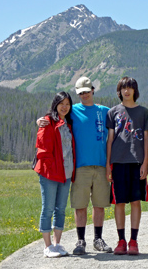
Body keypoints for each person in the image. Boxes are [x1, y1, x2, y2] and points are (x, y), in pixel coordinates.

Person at [37, 77, 112, 255]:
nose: (84, 95)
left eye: (87, 91)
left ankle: (98, 239)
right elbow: (54, 117)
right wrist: (40, 120)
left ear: (93, 90)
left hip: (101, 165)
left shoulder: (105, 111)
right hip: (79, 167)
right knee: (80, 205)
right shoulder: (72, 111)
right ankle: (80, 241)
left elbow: (124, 115)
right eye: (81, 93)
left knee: (99, 205)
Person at [106, 77, 148, 255]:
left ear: (135, 91)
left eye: (130, 88)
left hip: (137, 162)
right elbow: (110, 140)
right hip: (118, 162)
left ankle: (134, 241)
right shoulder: (113, 112)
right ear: (119, 91)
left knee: (136, 202)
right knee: (119, 202)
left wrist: (146, 162)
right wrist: (108, 164)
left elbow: (146, 139)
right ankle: (121, 240)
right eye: (123, 88)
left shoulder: (143, 112)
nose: (127, 91)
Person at [34, 91, 76, 258]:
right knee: (48, 209)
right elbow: (42, 150)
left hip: (66, 173)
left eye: (67, 104)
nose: (64, 107)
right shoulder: (47, 122)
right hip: (50, 173)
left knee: (61, 210)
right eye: (61, 103)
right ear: (55, 104)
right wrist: (51, 170)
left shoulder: (69, 123)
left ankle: (57, 244)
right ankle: (47, 246)